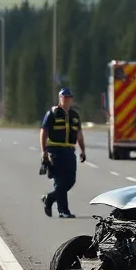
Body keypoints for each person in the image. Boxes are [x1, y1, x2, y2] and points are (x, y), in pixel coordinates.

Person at [40, 88, 87, 219]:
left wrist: (83, 150)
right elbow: (43, 132)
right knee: (60, 180)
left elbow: (79, 134)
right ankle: (63, 210)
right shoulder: (52, 113)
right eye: (63, 97)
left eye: (68, 97)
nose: (66, 99)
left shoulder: (74, 115)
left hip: (69, 151)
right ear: (60, 98)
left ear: (71, 99)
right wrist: (44, 152)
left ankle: (50, 198)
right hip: (55, 151)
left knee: (70, 180)